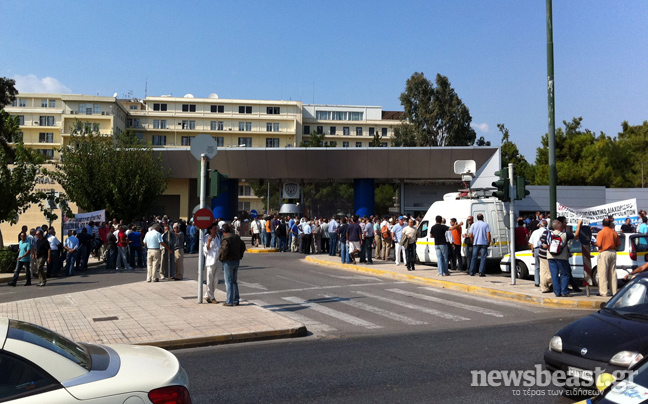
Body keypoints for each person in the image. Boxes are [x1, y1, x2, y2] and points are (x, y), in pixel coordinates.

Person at [547, 219, 582, 297]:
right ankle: (564, 291)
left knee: (554, 275)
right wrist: (578, 225)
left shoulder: (548, 234)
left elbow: (545, 245)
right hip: (561, 257)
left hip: (550, 256)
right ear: (560, 227)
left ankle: (557, 292)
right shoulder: (564, 235)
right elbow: (576, 235)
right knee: (565, 274)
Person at [218, 223, 247, 306]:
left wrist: (221, 258)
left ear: (223, 232)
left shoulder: (226, 238)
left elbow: (224, 249)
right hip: (236, 260)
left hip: (228, 261)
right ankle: (235, 299)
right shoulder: (236, 237)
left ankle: (229, 301)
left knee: (228, 282)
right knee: (234, 281)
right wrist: (240, 255)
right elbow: (243, 246)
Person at [594, 218, 621, 297]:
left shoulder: (601, 233)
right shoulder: (614, 233)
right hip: (613, 252)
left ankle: (603, 292)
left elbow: (599, 244)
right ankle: (614, 291)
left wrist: (593, 243)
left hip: (604, 252)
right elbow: (618, 244)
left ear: (602, 224)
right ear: (609, 224)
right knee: (612, 272)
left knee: (603, 272)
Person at [203, 223, 222, 303]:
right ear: (210, 229)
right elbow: (205, 250)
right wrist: (208, 242)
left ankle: (208, 295)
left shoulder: (218, 237)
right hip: (210, 261)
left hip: (218, 260)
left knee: (216, 279)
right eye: (214, 229)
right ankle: (212, 297)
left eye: (216, 229)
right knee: (210, 280)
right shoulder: (206, 237)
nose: (216, 230)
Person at [529, 220, 547, 287]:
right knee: (545, 266)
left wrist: (533, 251)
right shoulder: (548, 231)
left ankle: (537, 282)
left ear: (540, 225)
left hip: (536, 249)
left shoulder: (535, 232)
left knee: (537, 266)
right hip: (545, 249)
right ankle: (544, 282)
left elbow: (532, 243)